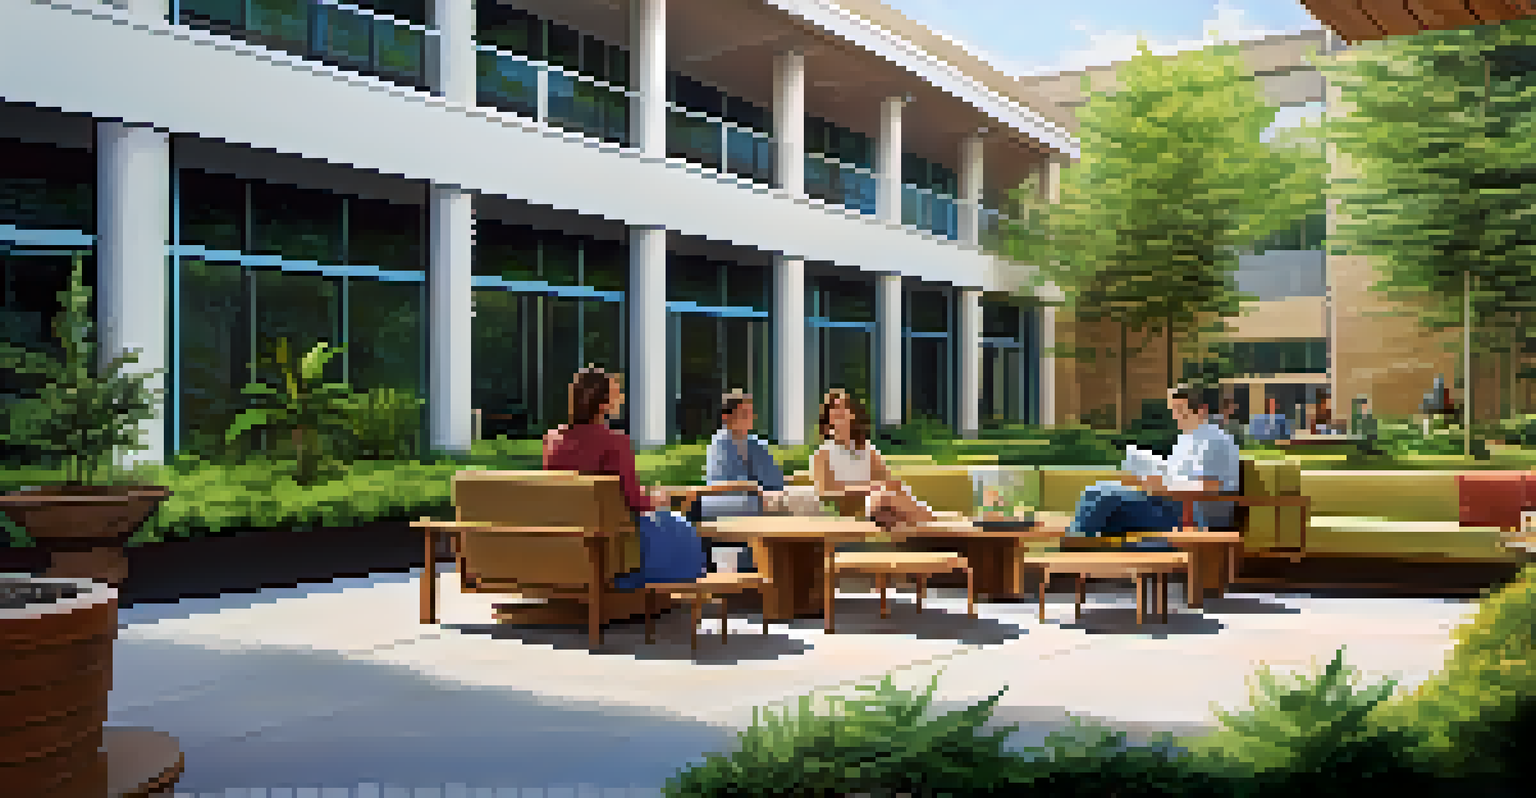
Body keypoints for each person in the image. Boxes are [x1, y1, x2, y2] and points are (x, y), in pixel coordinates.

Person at [543, 367, 705, 589]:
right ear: (602, 404)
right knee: (680, 526)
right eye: (616, 394)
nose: (621, 399)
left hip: (565, 538)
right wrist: (658, 500)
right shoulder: (615, 441)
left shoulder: (553, 440)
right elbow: (635, 503)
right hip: (609, 543)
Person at [1066, 386, 1241, 540]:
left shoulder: (1214, 441)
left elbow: (1210, 486)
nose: (1176, 416)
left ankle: (1071, 558)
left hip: (1192, 517)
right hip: (1169, 506)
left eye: (1181, 410)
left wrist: (1164, 486)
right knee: (1095, 494)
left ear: (1202, 410)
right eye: (1173, 410)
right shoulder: (1187, 439)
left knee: (1103, 498)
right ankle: (1075, 557)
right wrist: (1154, 478)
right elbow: (1176, 475)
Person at [811, 389, 934, 529]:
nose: (841, 413)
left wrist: (885, 487)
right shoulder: (823, 454)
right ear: (829, 417)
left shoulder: (867, 449)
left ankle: (927, 527)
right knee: (883, 498)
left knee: (890, 511)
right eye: (835, 409)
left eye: (844, 408)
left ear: (852, 414)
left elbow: (887, 481)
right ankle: (929, 521)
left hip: (877, 504)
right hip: (849, 507)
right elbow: (826, 493)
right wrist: (868, 489)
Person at [696, 390, 786, 572]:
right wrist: (758, 490)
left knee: (797, 501)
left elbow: (775, 479)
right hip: (723, 502)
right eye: (744, 413)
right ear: (727, 417)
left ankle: (791, 569)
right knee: (771, 505)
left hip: (756, 500)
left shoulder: (757, 444)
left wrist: (771, 493)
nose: (749, 418)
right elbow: (724, 484)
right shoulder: (719, 444)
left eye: (750, 413)